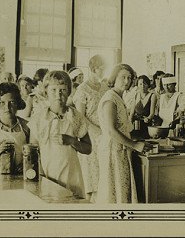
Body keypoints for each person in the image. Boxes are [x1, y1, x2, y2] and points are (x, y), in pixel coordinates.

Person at [29, 71, 92, 198]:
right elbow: (32, 152)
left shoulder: (76, 117)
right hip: (47, 174)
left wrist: (73, 142)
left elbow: (88, 148)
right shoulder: (38, 119)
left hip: (71, 175)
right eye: (53, 90)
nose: (58, 94)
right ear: (46, 92)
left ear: (68, 92)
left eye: (62, 90)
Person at [97, 64, 152, 203]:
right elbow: (111, 130)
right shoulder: (110, 99)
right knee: (114, 191)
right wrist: (134, 145)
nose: (126, 81)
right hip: (112, 150)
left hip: (119, 149)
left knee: (120, 189)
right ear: (114, 78)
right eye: (122, 77)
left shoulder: (118, 97)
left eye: (129, 78)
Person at [73, 55, 109, 202]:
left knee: (104, 178)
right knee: (91, 178)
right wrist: (98, 131)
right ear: (94, 69)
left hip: (106, 135)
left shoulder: (105, 88)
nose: (105, 72)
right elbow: (80, 118)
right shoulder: (82, 90)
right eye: (102, 69)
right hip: (90, 138)